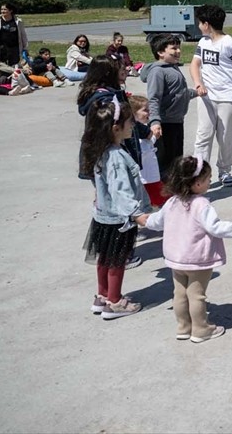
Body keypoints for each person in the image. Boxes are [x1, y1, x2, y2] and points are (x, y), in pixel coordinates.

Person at [141, 156, 232, 343]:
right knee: (196, 294)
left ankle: (183, 327)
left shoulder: (171, 202)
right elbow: (215, 227)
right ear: (197, 183)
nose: (210, 180)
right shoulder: (201, 204)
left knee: (179, 293)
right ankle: (201, 329)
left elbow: (156, 222)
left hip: (176, 259)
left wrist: (144, 220)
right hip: (197, 259)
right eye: (208, 178)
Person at [82, 93, 151, 320]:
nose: (133, 125)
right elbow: (121, 190)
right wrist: (136, 214)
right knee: (117, 260)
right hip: (119, 220)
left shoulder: (100, 151)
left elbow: (100, 183)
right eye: (129, 122)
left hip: (103, 215)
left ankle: (102, 296)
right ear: (115, 128)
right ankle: (115, 301)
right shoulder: (117, 157)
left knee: (104, 258)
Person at [190, 4, 232, 187]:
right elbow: (194, 65)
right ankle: (198, 173)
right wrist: (198, 83)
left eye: (200, 22)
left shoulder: (230, 44)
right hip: (206, 98)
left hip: (228, 98)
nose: (198, 25)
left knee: (225, 137)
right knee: (203, 135)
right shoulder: (203, 42)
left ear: (207, 24)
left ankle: (225, 171)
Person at [142, 33, 195, 179]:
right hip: (165, 123)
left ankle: (174, 193)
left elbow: (179, 93)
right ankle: (164, 195)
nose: (178, 51)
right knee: (167, 164)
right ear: (160, 52)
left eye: (179, 48)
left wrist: (197, 92)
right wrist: (155, 121)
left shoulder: (172, 67)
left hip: (177, 121)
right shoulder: (158, 71)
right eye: (173, 48)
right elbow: (154, 98)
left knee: (177, 160)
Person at [127, 95, 165, 208]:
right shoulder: (134, 132)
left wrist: (154, 137)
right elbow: (143, 147)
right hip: (145, 176)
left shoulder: (144, 127)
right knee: (150, 199)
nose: (149, 112)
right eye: (145, 110)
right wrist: (153, 137)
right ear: (134, 114)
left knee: (156, 198)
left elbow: (148, 143)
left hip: (151, 173)